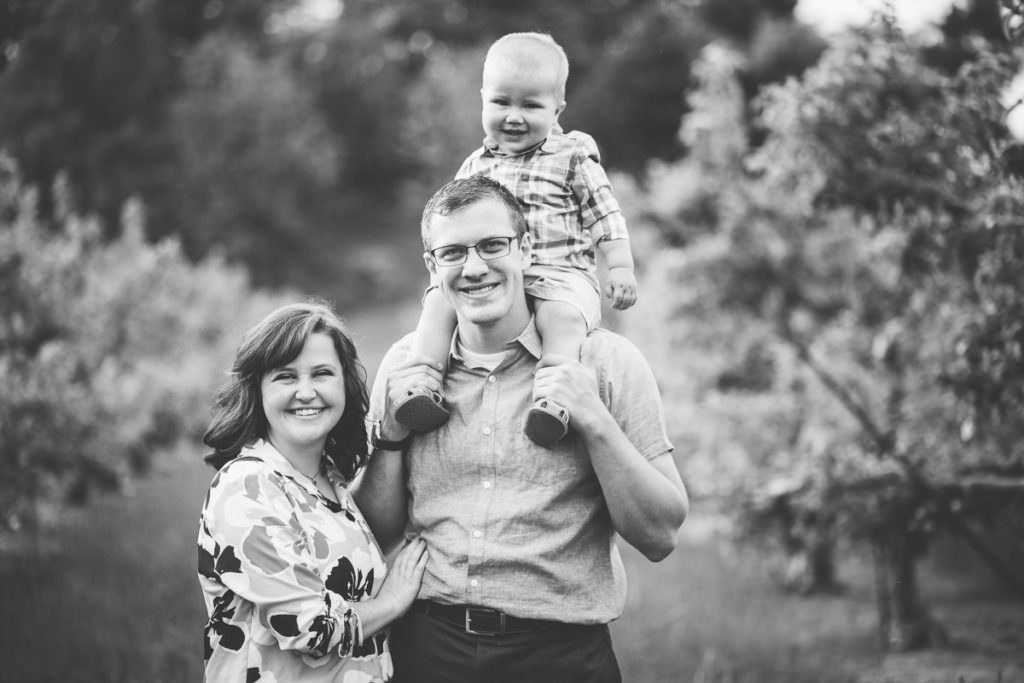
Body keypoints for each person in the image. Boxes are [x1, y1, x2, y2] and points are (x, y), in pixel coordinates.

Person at [354, 176, 688, 682]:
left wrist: (593, 420)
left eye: (492, 246)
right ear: (432, 267)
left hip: (563, 657)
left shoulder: (607, 363)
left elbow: (660, 535)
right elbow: (376, 532)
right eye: (453, 253)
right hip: (427, 647)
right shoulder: (407, 368)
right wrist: (391, 438)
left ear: (526, 249)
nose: (474, 268)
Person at [398, 31, 638, 447]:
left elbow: (605, 213)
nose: (513, 116)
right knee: (437, 301)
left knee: (560, 319)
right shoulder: (475, 165)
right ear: (483, 100)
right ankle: (422, 381)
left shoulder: (572, 157)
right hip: (493, 271)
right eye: (501, 102)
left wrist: (619, 266)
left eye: (530, 105)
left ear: (557, 109)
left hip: (559, 275)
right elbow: (453, 220)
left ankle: (552, 397)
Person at [197, 302, 427, 683]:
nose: (306, 392)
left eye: (321, 373)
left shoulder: (330, 482)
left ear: (344, 385)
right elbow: (308, 628)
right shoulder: (248, 487)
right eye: (286, 377)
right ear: (258, 390)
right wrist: (391, 602)